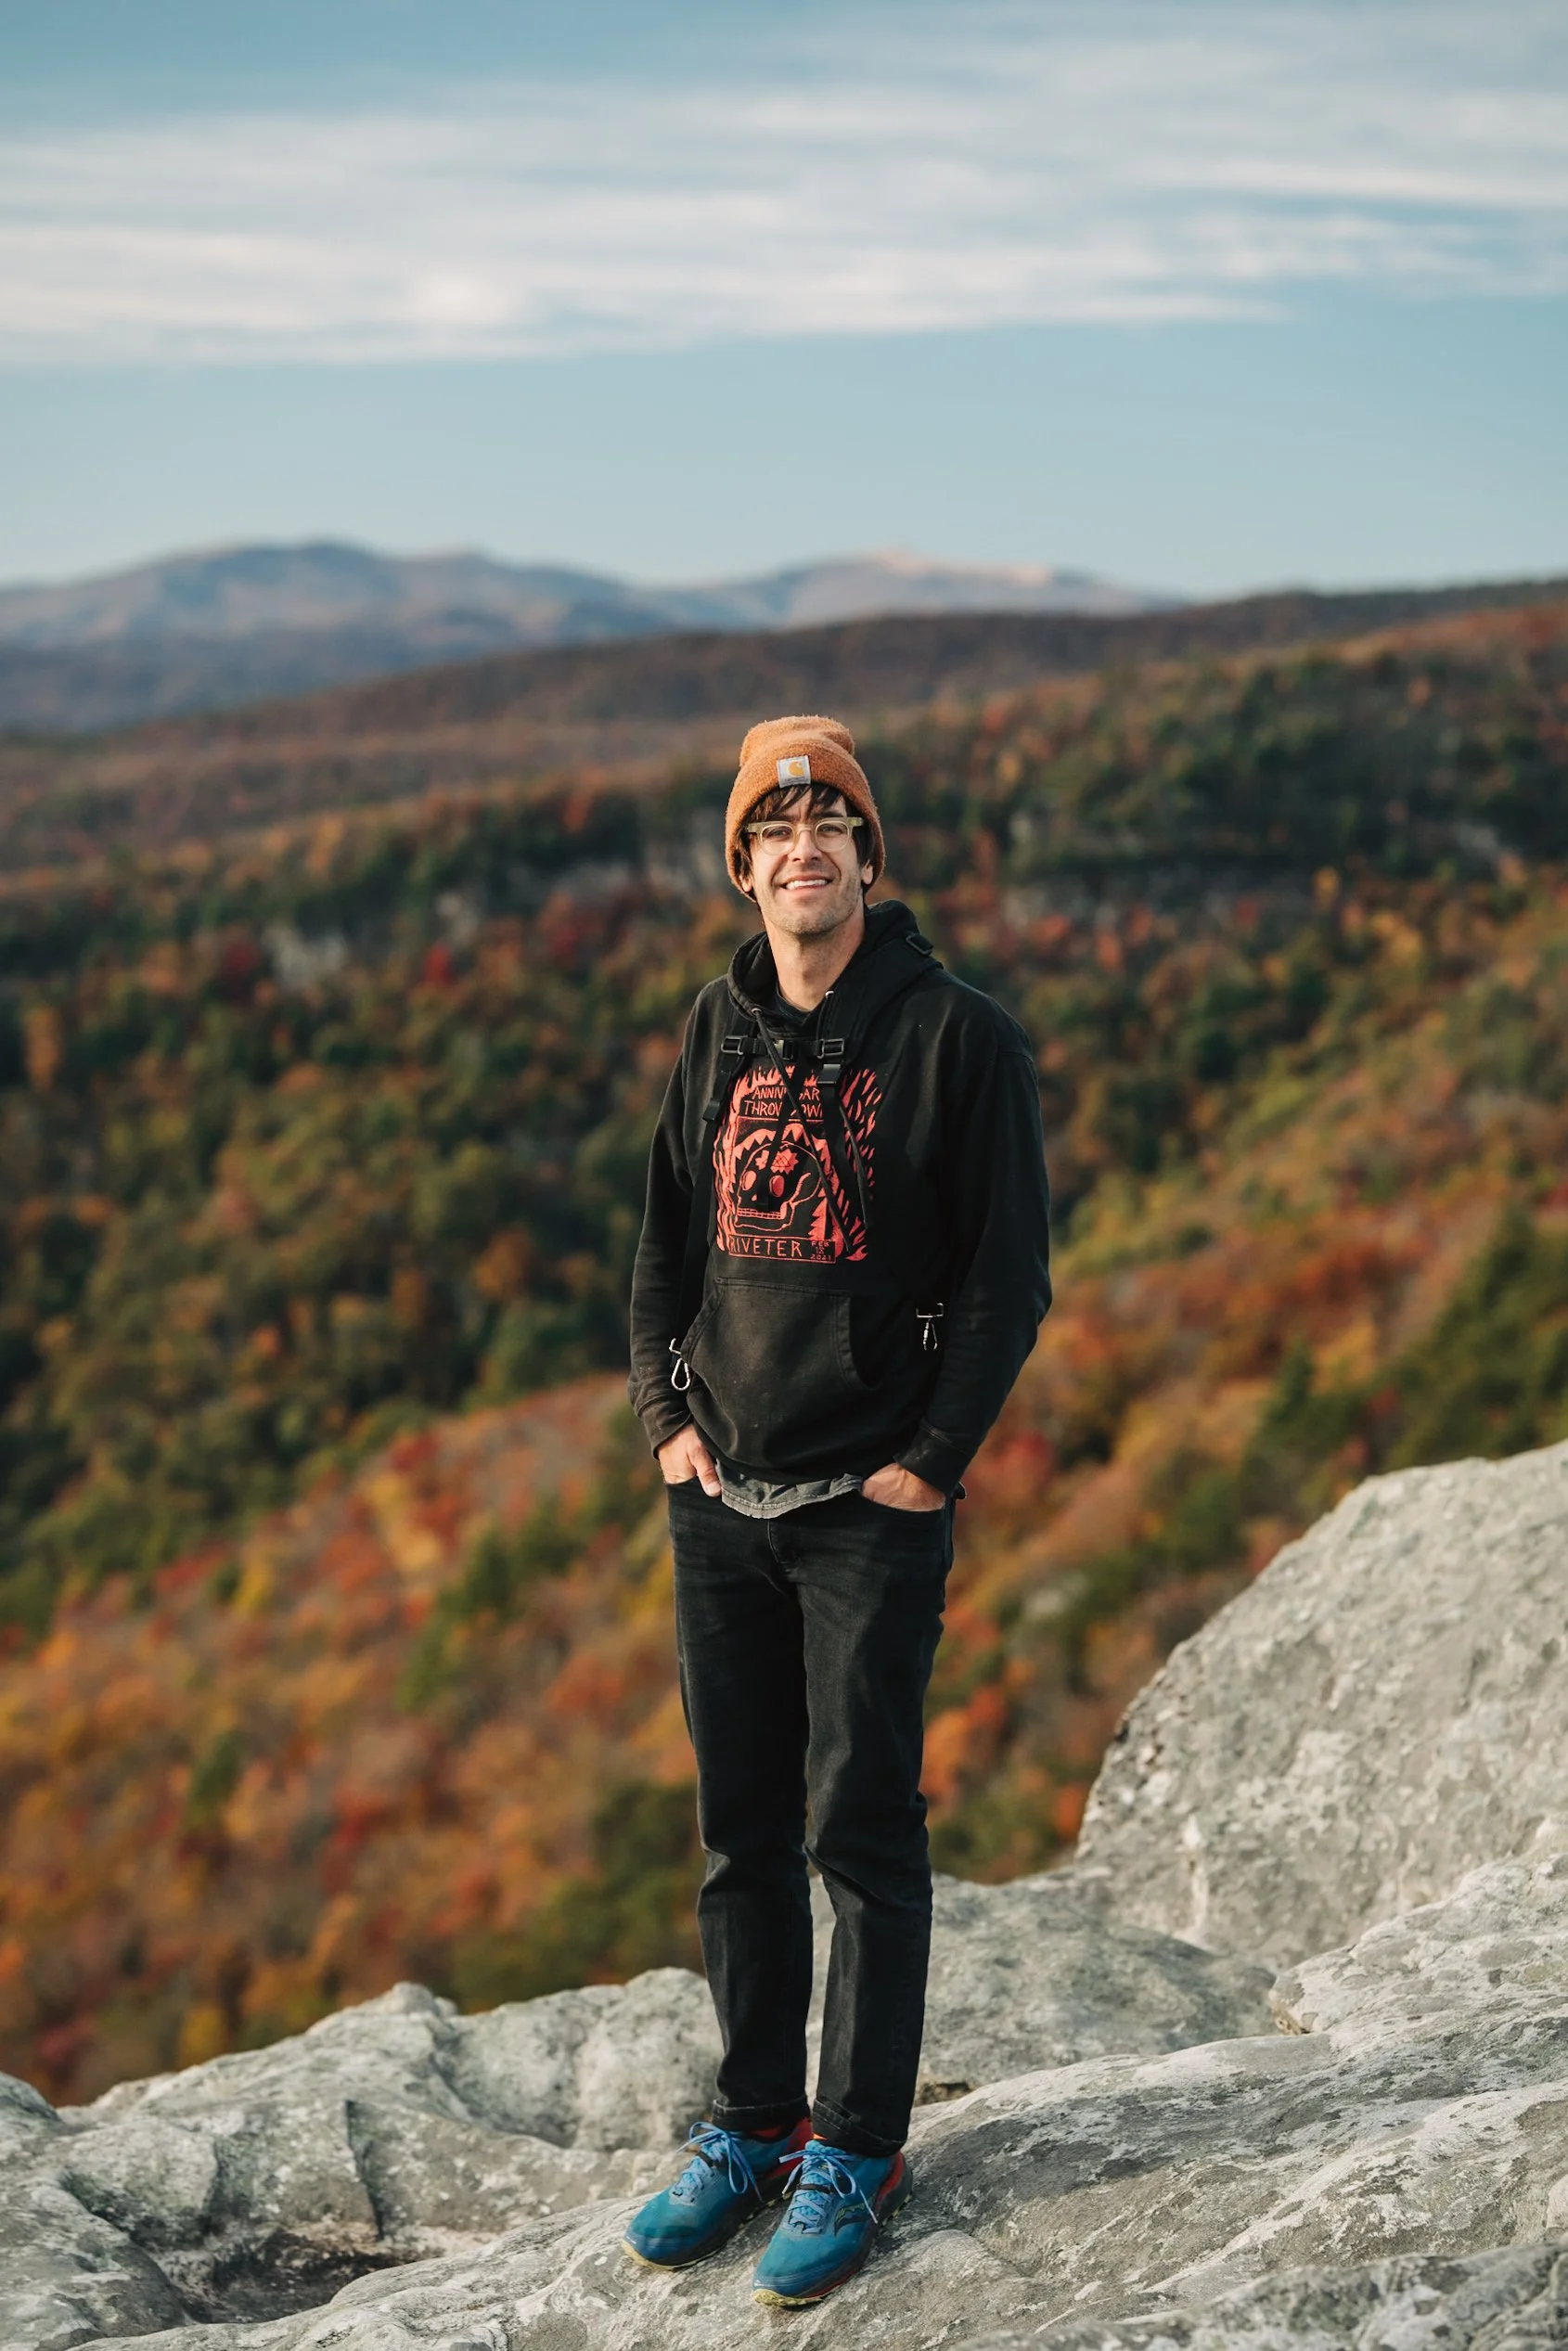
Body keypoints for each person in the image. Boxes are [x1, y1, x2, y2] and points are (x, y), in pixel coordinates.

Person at [623, 714, 1051, 2307]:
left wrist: (927, 1464)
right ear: (743, 868)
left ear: (870, 855)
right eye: (772, 832)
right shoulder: (713, 1029)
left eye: (830, 826)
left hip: (870, 1501)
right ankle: (752, 2118)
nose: (802, 851)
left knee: (856, 1828)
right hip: (719, 1492)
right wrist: (668, 1424)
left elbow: (1008, 1286)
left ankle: (855, 2146)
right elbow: (661, 1248)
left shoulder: (957, 1039)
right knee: (739, 1830)